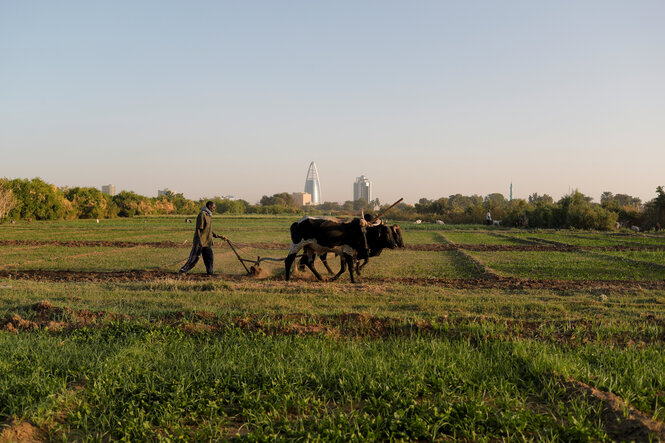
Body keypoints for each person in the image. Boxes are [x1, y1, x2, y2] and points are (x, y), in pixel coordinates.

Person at [179, 201, 226, 276]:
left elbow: (208, 229)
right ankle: (183, 271)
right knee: (194, 258)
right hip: (200, 241)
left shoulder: (209, 215)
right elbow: (198, 229)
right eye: (213, 207)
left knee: (209, 257)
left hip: (207, 241)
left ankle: (210, 273)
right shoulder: (202, 214)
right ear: (209, 206)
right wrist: (199, 241)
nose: (214, 208)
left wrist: (217, 235)